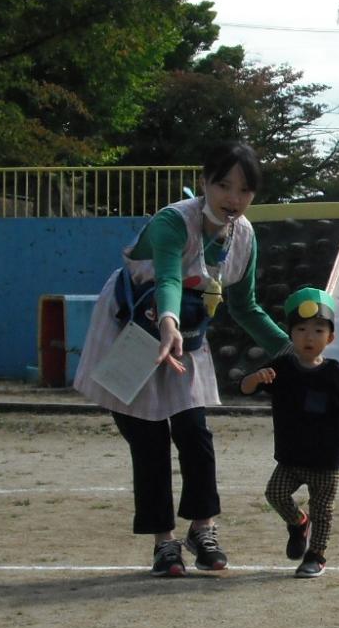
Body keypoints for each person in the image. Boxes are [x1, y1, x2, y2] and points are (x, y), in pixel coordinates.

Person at [75, 141, 290, 578]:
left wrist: (295, 352)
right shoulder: (175, 221)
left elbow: (245, 306)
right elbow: (169, 274)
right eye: (223, 185)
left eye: (245, 190)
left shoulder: (244, 235)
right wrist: (168, 319)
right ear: (204, 181)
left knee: (194, 431)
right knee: (148, 437)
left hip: (184, 336)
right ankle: (163, 542)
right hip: (133, 330)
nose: (233, 198)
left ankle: (202, 528)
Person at [240, 286, 339, 578]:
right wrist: (255, 377)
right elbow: (245, 388)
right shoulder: (281, 366)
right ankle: (298, 522)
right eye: (301, 329)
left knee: (323, 510)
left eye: (318, 330)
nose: (309, 336)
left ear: (331, 338)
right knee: (275, 493)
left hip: (326, 461)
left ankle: (316, 555)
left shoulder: (335, 374)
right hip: (291, 457)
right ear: (291, 335)